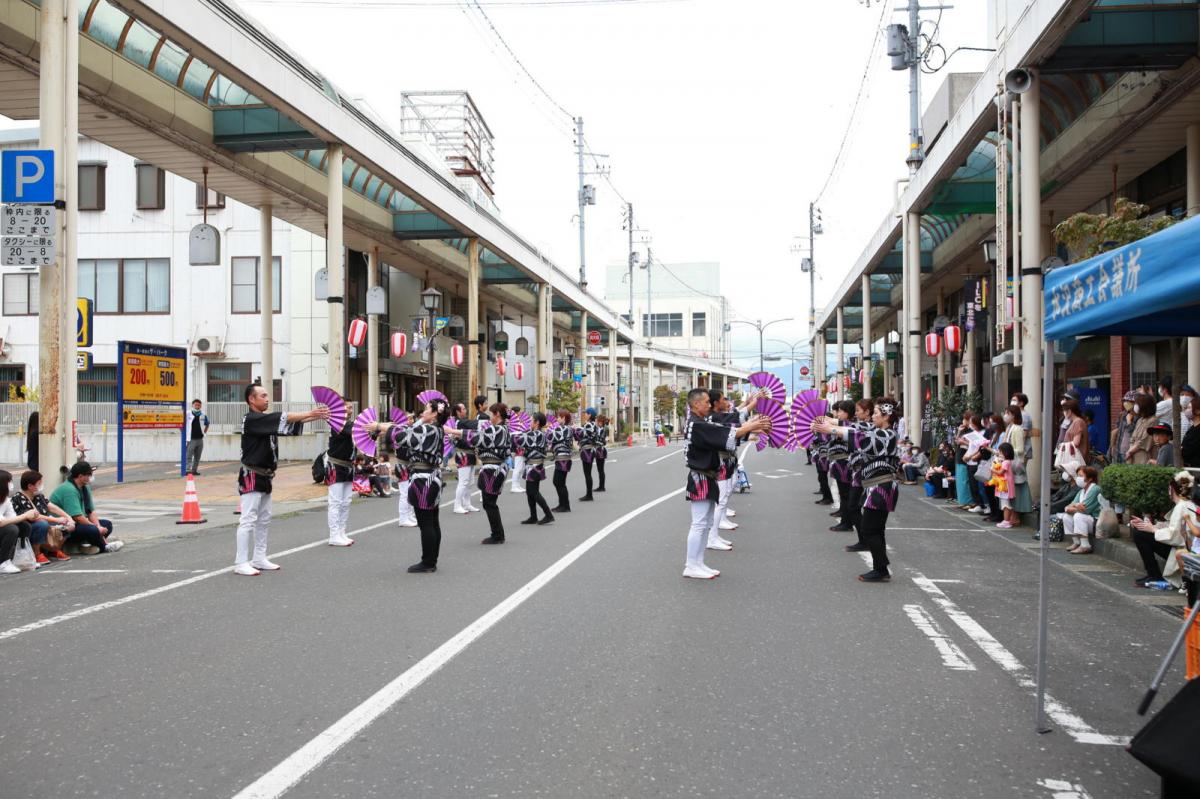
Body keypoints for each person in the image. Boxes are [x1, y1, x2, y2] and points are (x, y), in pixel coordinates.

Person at [233, 383, 328, 576]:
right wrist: (311, 412)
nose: (267, 399)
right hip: (251, 474)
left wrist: (316, 416)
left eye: (267, 395)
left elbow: (289, 425)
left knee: (264, 519)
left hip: (265, 475)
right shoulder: (252, 419)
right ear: (251, 399)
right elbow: (284, 417)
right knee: (248, 519)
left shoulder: (264, 421)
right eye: (263, 395)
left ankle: (259, 558)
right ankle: (241, 562)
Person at [680, 388, 768, 579]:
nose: (709, 405)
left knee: (706, 523)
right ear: (696, 404)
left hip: (707, 475)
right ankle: (691, 564)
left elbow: (722, 431)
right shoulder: (697, 424)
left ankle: (698, 563)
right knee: (699, 523)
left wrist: (750, 427)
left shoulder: (700, 422)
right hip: (700, 476)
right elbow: (723, 432)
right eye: (706, 402)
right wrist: (750, 426)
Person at [814, 396, 901, 583]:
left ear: (886, 416)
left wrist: (831, 428)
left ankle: (881, 568)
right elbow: (855, 429)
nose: (873, 416)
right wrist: (831, 425)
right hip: (875, 486)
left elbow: (860, 436)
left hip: (882, 486)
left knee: (870, 528)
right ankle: (881, 567)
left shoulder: (887, 435)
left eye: (876, 413)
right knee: (875, 528)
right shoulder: (877, 431)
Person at [390, 398, 452, 572]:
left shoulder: (427, 429)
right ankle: (432, 559)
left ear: (434, 413)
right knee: (432, 521)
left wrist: (381, 426)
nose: (423, 412)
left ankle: (428, 562)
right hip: (432, 476)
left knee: (426, 523)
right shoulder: (437, 429)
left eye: (426, 409)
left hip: (423, 478)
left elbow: (401, 437)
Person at [445, 402, 512, 545]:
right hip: (496, 467)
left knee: (489, 503)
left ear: (497, 414)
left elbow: (477, 437)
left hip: (493, 468)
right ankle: (498, 534)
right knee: (490, 503)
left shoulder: (497, 429)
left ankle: (497, 535)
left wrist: (453, 431)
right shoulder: (504, 428)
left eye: (491, 414)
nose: (490, 417)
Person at [1131, 471, 1197, 588]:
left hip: (1183, 548)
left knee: (1139, 534)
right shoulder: (1188, 504)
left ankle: (1154, 574)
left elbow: (1174, 535)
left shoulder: (1182, 506)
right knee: (1141, 532)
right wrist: (1149, 526)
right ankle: (1153, 574)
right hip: (1186, 546)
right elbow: (1172, 527)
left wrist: (1153, 530)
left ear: (1171, 489)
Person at [49, 461, 123, 555]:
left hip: (77, 524)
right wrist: (96, 528)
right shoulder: (69, 490)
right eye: (89, 475)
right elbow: (77, 517)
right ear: (80, 476)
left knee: (107, 525)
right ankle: (104, 547)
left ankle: (87, 545)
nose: (90, 477)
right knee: (92, 530)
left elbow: (90, 511)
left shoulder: (85, 487)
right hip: (64, 527)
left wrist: (98, 526)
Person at [11, 470, 73, 564]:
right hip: (29, 525)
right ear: (30, 486)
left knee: (68, 525)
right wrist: (56, 519)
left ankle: (54, 549)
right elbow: (34, 516)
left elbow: (52, 507)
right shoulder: (18, 498)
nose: (41, 485)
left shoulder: (38, 495)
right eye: (39, 483)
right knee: (42, 524)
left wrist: (68, 518)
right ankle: (37, 554)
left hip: (44, 521)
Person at [323, 416, 357, 547]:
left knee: (346, 501)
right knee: (335, 502)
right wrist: (369, 427)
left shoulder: (350, 425)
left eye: (350, 407)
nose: (349, 409)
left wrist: (374, 433)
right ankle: (334, 534)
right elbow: (353, 430)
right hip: (335, 466)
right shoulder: (337, 423)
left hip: (348, 466)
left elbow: (361, 436)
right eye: (346, 407)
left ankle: (341, 532)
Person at [515, 412, 554, 525]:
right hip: (532, 465)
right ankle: (533, 516)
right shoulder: (538, 433)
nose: (529, 422)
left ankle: (548, 514)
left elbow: (519, 440)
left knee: (534, 492)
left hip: (534, 466)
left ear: (537, 423)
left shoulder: (536, 434)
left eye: (531, 420)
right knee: (530, 491)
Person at [0, 470, 40, 574]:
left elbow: (13, 518)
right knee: (11, 529)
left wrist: (29, 516)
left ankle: (21, 558)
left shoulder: (6, 500)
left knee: (24, 526)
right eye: (9, 481)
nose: (11, 484)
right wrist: (25, 515)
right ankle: (2, 562)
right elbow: (1, 523)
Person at [1056, 465, 1101, 553]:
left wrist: (1075, 506)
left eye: (1081, 476)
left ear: (1090, 479)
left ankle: (1085, 545)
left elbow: (1085, 510)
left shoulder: (1095, 489)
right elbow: (1068, 507)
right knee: (1067, 516)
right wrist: (1077, 505)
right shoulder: (1081, 491)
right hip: (1087, 520)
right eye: (1078, 476)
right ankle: (1076, 542)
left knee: (1078, 516)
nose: (1078, 478)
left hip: (1097, 522)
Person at [826, 400, 856, 531]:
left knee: (845, 494)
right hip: (839, 462)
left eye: (840, 411)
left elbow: (834, 424)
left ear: (847, 412)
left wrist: (826, 422)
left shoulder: (850, 426)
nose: (837, 414)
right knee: (843, 493)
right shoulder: (842, 425)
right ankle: (845, 519)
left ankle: (847, 522)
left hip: (845, 462)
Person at [1002, 405, 1033, 522]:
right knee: (1011, 490)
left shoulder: (1017, 429)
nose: (1005, 416)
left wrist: (1007, 452)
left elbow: (1020, 449)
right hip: (1009, 463)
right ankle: (1012, 516)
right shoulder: (1009, 428)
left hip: (1015, 465)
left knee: (1017, 490)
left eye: (1008, 413)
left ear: (1013, 415)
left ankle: (1015, 516)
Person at [451, 402, 481, 515]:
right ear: (458, 412)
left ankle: (467, 503)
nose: (465, 410)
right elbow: (473, 424)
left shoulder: (463, 422)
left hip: (470, 453)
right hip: (463, 454)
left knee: (470, 481)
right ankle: (457, 505)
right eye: (463, 409)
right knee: (463, 481)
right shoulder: (459, 422)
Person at [549, 410, 575, 513]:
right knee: (560, 482)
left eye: (559, 417)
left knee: (558, 482)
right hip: (564, 458)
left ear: (564, 418)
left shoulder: (562, 428)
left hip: (562, 458)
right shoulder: (568, 428)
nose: (557, 419)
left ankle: (565, 505)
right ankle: (563, 504)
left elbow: (550, 437)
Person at [576, 407, 601, 502]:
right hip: (591, 450)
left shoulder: (588, 425)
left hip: (587, 451)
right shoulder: (594, 425)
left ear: (590, 415)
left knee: (587, 474)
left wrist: (576, 431)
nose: (585, 415)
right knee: (588, 473)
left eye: (586, 413)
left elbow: (581, 435)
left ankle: (589, 495)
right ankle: (589, 494)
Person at [1125, 394, 1158, 464]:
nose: (1135, 406)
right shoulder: (1140, 420)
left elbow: (1144, 441)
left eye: (1137, 404)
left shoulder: (1153, 421)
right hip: (1133, 456)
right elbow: (1133, 437)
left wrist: (1130, 451)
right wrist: (1130, 450)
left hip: (1144, 457)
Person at [1109, 391, 1139, 465]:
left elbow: (1134, 435)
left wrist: (1129, 422)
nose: (1126, 403)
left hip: (1130, 452)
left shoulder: (1139, 417)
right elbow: (1116, 431)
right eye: (1125, 400)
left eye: (1129, 401)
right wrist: (1112, 446)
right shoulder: (1122, 415)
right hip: (1119, 450)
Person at [185, 399, 210, 475]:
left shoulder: (203, 414)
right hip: (191, 439)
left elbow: (207, 424)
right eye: (196, 404)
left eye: (199, 405)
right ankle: (187, 470)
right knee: (189, 455)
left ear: (200, 406)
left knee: (197, 456)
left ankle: (194, 471)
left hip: (200, 439)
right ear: (192, 405)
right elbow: (182, 423)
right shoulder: (188, 413)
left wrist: (204, 433)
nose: (197, 406)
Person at [509, 406, 527, 494]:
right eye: (519, 412)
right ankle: (514, 486)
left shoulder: (518, 421)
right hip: (517, 444)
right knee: (518, 466)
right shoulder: (513, 422)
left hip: (520, 443)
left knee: (521, 467)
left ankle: (517, 485)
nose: (520, 414)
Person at [594, 414, 611, 492]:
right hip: (598, 450)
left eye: (597, 421)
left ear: (600, 422)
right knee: (600, 469)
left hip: (601, 450)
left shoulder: (604, 429)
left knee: (601, 469)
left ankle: (602, 487)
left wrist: (595, 441)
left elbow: (603, 441)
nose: (596, 422)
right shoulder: (598, 429)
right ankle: (601, 486)